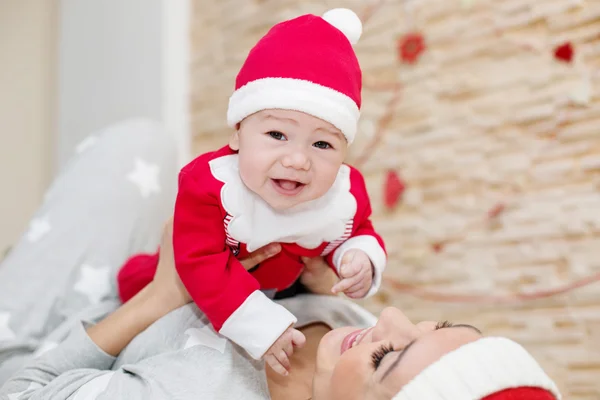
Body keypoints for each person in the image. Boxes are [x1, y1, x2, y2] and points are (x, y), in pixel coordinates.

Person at [0, 120, 561, 399]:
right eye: (435, 325)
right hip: (139, 286)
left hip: (44, 344)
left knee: (131, 140)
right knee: (144, 139)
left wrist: (164, 295)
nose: (389, 319)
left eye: (385, 357)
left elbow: (25, 390)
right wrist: (312, 273)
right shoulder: (349, 333)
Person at [116, 7, 387, 375]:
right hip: (195, 284)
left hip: (283, 285)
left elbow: (360, 230)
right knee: (146, 290)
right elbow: (200, 262)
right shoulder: (211, 185)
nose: (297, 160)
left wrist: (357, 260)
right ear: (237, 135)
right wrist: (262, 328)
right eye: (277, 135)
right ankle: (126, 285)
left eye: (321, 145)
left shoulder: (344, 191)